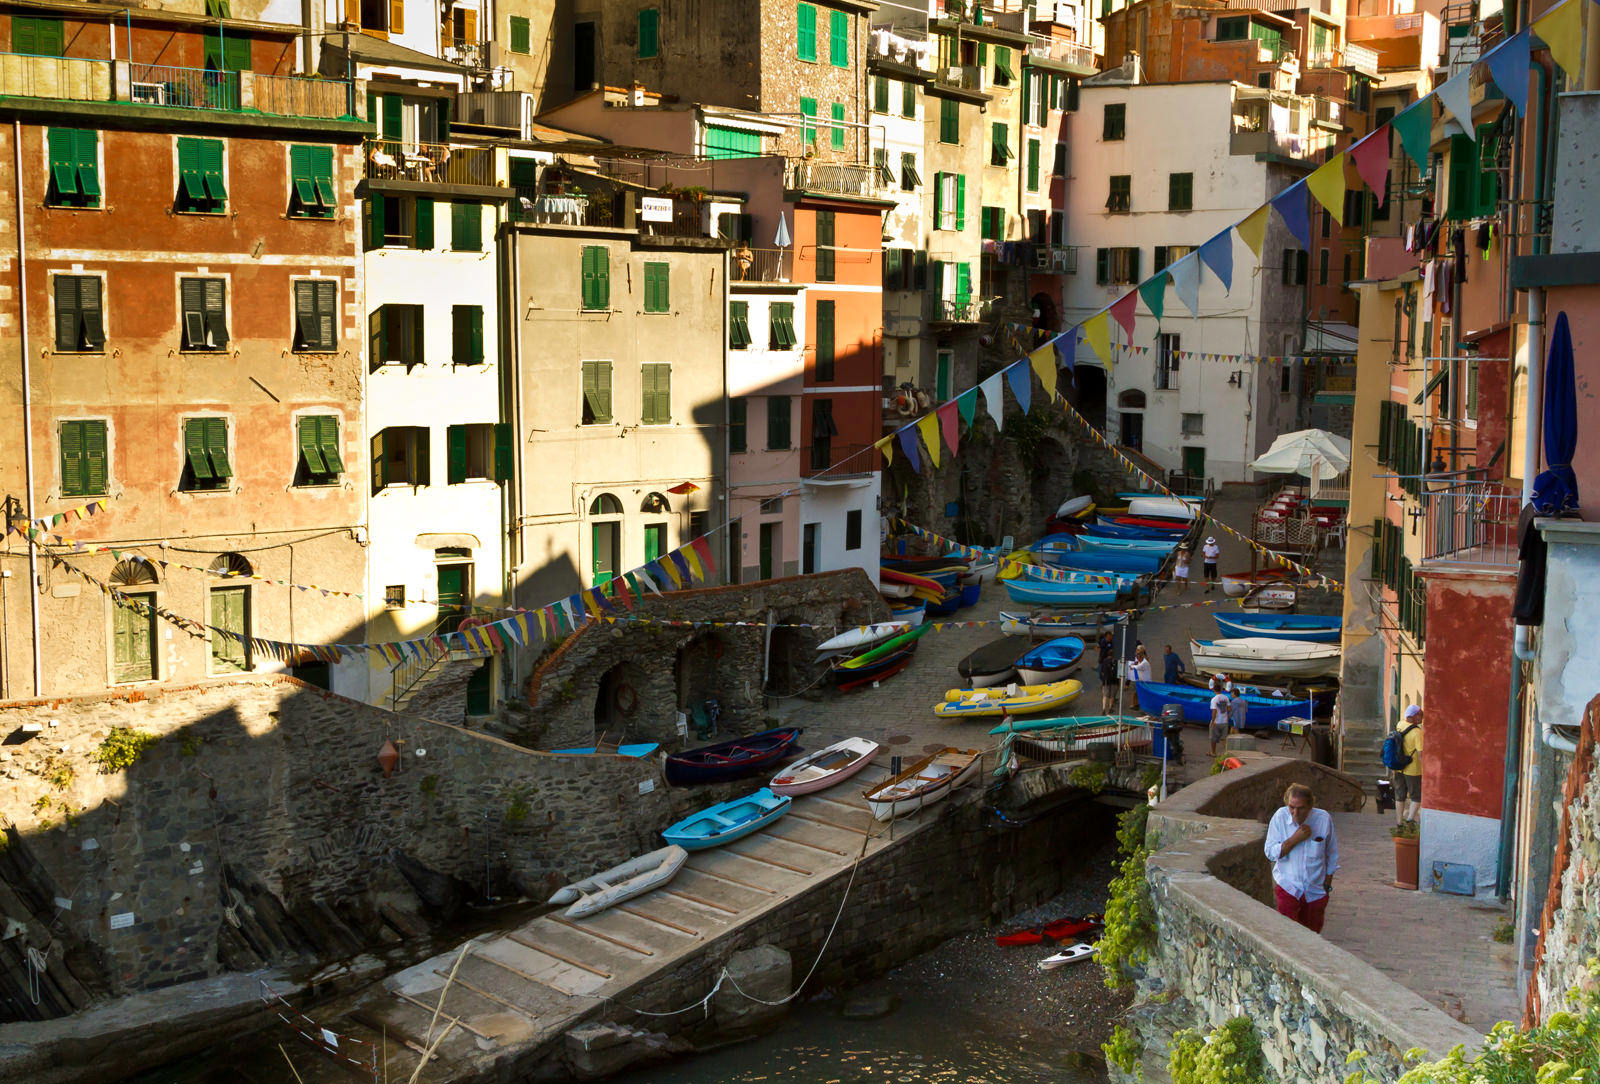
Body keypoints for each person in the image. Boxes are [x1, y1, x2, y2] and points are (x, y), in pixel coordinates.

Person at [1264, 783, 1340, 933]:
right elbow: (1270, 853)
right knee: (1287, 935)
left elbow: (1331, 851)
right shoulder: (1280, 817)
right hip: (1288, 886)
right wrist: (1294, 839)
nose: (1295, 813)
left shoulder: (1323, 819)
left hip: (1315, 890)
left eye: (1301, 808)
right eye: (1292, 807)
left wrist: (1328, 883)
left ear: (1310, 806)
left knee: (1312, 936)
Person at [1394, 704, 1424, 825]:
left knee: (1400, 795)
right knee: (1416, 797)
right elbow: (1420, 755)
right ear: (1413, 716)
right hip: (1413, 770)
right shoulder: (1417, 732)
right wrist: (1425, 771)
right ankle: (1410, 818)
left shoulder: (1400, 725)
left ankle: (1399, 821)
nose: (1422, 718)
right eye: (1420, 715)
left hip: (1399, 767)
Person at [1208, 688, 1231, 756]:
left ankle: (1213, 752)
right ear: (1221, 690)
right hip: (1225, 721)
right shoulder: (1226, 697)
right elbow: (1229, 708)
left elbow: (1214, 711)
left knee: (1213, 738)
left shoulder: (1214, 699)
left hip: (1217, 722)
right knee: (1224, 738)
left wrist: (1212, 722)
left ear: (1214, 690)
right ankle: (1229, 753)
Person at [1099, 642, 1119, 713]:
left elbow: (1102, 671)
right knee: (1112, 695)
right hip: (1114, 681)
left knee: (1105, 695)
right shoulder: (1116, 661)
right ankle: (1110, 708)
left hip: (1106, 680)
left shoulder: (1104, 661)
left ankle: (1104, 708)